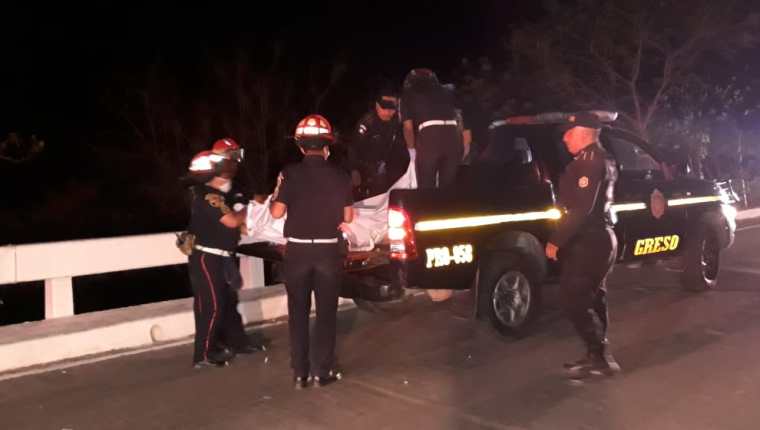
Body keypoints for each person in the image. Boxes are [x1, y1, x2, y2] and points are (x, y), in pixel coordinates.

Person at [270, 114, 354, 389]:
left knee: (298, 314)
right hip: (329, 252)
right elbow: (349, 216)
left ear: (301, 146)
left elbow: (276, 212)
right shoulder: (341, 175)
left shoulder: (289, 173)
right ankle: (323, 371)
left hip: (297, 253)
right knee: (327, 314)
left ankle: (300, 373)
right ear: (327, 145)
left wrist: (277, 193)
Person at [544, 112, 621, 378]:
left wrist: (555, 241)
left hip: (590, 239)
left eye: (569, 132)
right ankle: (596, 354)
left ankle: (600, 355)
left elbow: (581, 209)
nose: (564, 138)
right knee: (593, 296)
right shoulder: (600, 158)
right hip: (598, 238)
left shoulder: (590, 161)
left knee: (572, 298)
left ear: (583, 132)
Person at [185, 138, 262, 369]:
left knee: (228, 302)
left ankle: (235, 342)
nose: (232, 163)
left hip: (222, 256)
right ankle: (204, 354)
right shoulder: (207, 195)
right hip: (208, 258)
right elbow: (231, 221)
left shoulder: (224, 193)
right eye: (227, 159)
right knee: (212, 305)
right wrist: (251, 209)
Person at [401, 68, 462, 188]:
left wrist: (412, 152)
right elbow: (459, 117)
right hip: (454, 136)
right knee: (448, 188)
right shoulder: (449, 90)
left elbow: (408, 127)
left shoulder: (408, 93)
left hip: (430, 137)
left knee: (426, 187)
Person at [349, 88, 409, 199]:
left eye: (392, 109)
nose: (388, 112)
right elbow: (354, 148)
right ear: (377, 106)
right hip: (369, 170)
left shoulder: (398, 123)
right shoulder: (367, 124)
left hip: (392, 170)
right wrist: (354, 170)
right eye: (384, 108)